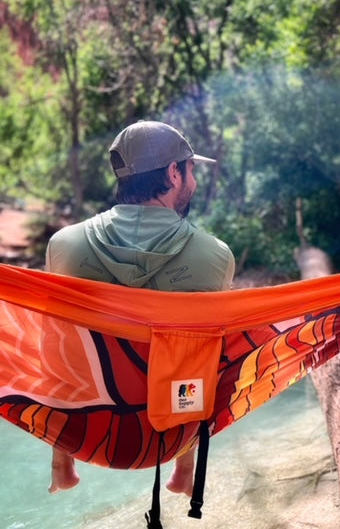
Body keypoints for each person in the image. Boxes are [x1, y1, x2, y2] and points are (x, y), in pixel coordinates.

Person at [45, 120, 235, 495]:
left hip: (90, 430)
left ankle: (60, 461)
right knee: (210, 342)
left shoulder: (63, 246)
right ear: (174, 172)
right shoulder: (214, 256)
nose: (194, 182)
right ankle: (185, 469)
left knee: (55, 330)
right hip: (170, 432)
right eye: (192, 170)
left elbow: (52, 346)